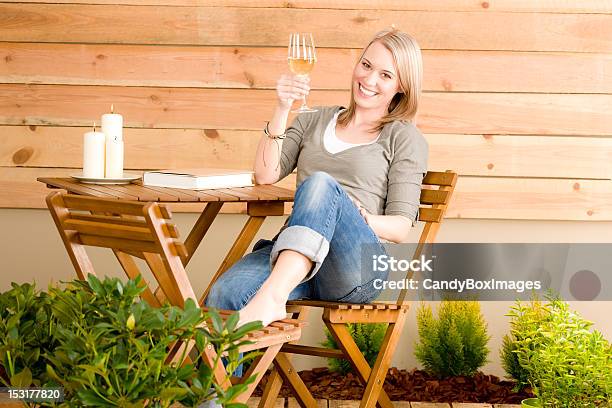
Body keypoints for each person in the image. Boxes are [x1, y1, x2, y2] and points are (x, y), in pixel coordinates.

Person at [205, 28, 428, 329]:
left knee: (322, 184)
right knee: (225, 295)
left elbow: (401, 227)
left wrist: (361, 217)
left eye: (385, 75)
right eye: (366, 65)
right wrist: (282, 107)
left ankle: (272, 295)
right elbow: (266, 173)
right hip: (293, 255)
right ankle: (230, 376)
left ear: (401, 85)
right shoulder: (313, 119)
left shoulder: (404, 138)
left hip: (354, 267)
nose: (369, 80)